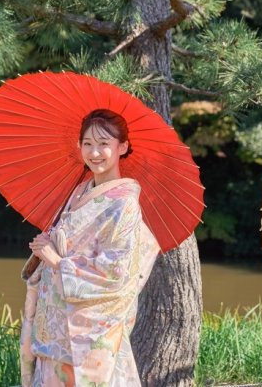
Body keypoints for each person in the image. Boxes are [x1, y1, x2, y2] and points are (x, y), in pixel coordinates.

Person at [20, 108, 160, 387]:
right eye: (87, 144)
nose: (94, 153)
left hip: (90, 327)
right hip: (56, 319)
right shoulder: (79, 191)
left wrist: (57, 262)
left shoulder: (124, 204)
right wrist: (48, 246)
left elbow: (115, 271)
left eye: (104, 144)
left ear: (122, 147)